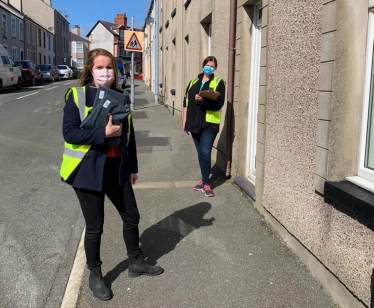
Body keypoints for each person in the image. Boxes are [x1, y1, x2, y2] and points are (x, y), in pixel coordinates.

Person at [60, 48, 163, 301]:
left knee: (132, 216)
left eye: (109, 68)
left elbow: (129, 135)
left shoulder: (119, 95)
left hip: (117, 169)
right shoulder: (77, 95)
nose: (105, 72)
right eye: (99, 67)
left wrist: (133, 167)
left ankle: (136, 262)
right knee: (95, 228)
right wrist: (102, 135)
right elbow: (70, 133)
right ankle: (96, 276)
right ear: (90, 70)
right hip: (88, 173)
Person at [182, 56, 226, 197]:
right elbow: (186, 102)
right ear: (203, 66)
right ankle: (204, 179)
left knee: (206, 153)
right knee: (201, 154)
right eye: (207, 65)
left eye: (212, 66)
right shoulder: (194, 81)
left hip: (209, 125)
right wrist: (184, 121)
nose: (209, 67)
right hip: (194, 124)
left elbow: (218, 104)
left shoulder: (218, 82)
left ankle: (206, 183)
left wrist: (202, 101)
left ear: (215, 68)